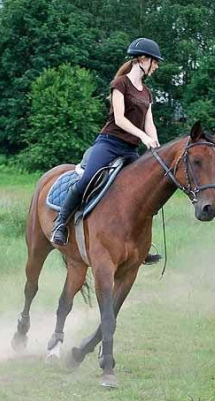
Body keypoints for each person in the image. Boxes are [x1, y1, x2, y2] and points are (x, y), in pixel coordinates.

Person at [51, 37, 163, 264]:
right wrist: (143, 136)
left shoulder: (147, 93)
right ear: (142, 59)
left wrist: (155, 144)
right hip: (109, 143)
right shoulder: (120, 84)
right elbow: (120, 119)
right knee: (87, 179)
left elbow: (149, 122)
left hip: (131, 150)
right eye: (155, 61)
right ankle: (60, 224)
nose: (156, 66)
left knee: (146, 190)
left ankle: (140, 244)